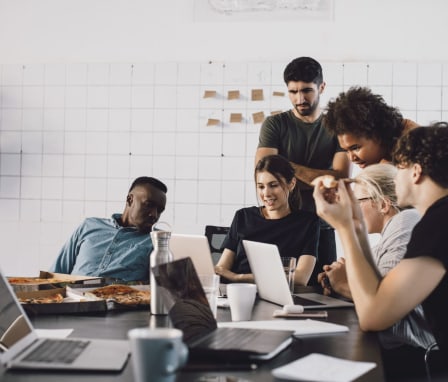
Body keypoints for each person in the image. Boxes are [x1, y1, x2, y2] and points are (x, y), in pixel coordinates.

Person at [313, 123, 448, 379]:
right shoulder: (437, 220)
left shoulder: (437, 224)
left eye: (400, 169)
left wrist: (344, 228)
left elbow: (374, 315)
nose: (395, 177)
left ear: (416, 172)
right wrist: (354, 225)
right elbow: (380, 294)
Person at [317, 164, 435, 359]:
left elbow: (383, 305)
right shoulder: (389, 236)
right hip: (396, 347)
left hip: (413, 353)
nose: (353, 210)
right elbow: (372, 287)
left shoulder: (405, 221)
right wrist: (340, 277)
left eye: (358, 201)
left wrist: (342, 284)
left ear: (383, 204)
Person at [255, 57, 351, 284]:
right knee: (275, 286)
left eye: (307, 90)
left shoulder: (337, 126)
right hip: (280, 222)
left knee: (324, 288)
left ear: (322, 87)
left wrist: (285, 167)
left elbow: (339, 180)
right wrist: (320, 178)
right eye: (293, 91)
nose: (300, 98)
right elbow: (265, 172)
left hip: (322, 223)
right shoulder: (275, 124)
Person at [215, 154, 319, 286]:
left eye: (273, 185)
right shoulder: (243, 216)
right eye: (261, 186)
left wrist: (239, 277)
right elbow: (222, 269)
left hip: (280, 299)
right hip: (238, 293)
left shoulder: (307, 222)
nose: (266, 193)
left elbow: (300, 278)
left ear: (291, 184)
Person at [49, 176, 167, 282]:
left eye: (160, 210)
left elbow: (164, 292)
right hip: (70, 301)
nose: (154, 215)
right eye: (149, 205)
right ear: (130, 200)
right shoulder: (89, 226)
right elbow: (57, 273)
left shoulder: (158, 240)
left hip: (118, 302)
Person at [323, 86, 419, 168]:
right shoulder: (388, 152)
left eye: (355, 148)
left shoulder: (412, 146)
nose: (352, 158)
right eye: (346, 151)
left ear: (377, 133)